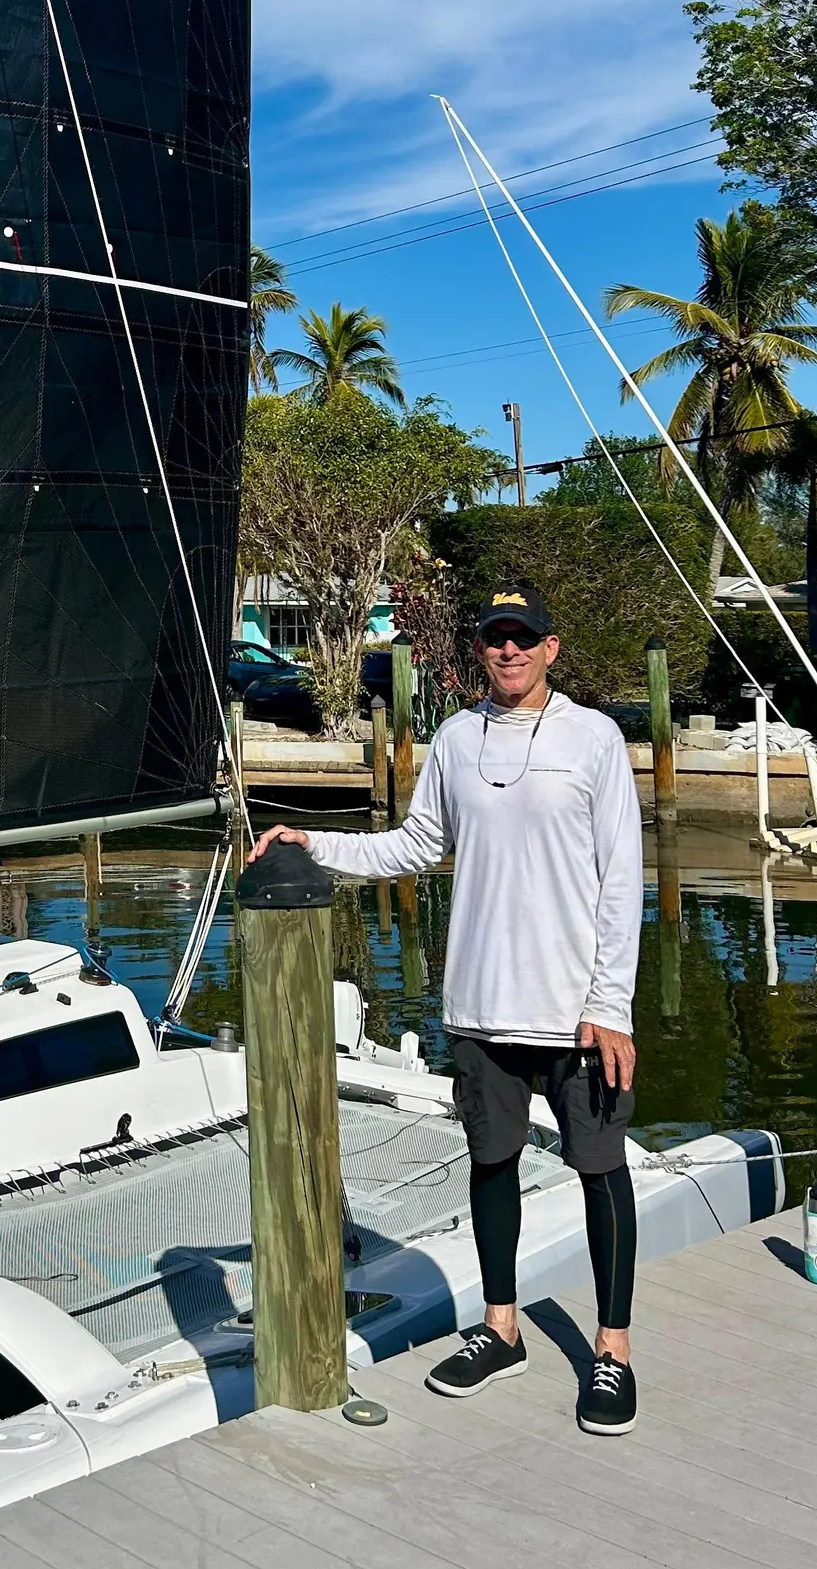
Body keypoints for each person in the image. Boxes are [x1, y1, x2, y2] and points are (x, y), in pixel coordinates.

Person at [247, 582, 649, 1434]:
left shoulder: (593, 738)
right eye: (496, 637)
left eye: (523, 637)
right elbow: (416, 844)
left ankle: (612, 1350)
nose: (509, 650)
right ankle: (502, 1330)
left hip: (577, 1013)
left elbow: (621, 878)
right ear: (482, 649)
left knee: (600, 1169)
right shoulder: (459, 740)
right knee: (492, 1164)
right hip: (479, 1006)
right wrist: (312, 840)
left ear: (550, 649)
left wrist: (611, 1005)